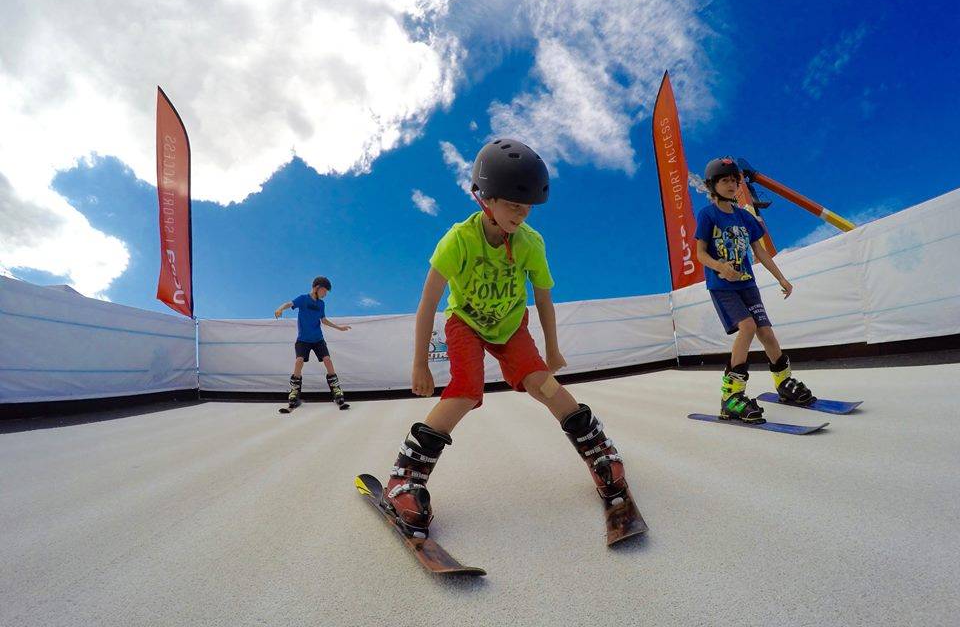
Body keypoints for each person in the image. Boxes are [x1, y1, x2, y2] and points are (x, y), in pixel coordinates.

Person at [380, 138, 632, 536]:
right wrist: (420, 363)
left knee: (542, 383)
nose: (522, 213)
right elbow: (427, 304)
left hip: (511, 325)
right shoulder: (458, 241)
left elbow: (544, 299)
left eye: (528, 205)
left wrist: (552, 348)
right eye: (513, 204)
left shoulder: (531, 243)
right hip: (465, 322)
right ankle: (404, 480)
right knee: (465, 389)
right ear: (485, 199)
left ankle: (600, 453)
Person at [694, 157, 816, 423]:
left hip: (748, 284)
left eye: (734, 180)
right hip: (722, 286)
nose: (732, 185)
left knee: (767, 334)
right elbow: (700, 253)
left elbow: (759, 251)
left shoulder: (744, 217)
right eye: (725, 180)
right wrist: (719, 266)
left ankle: (784, 383)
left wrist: (781, 278)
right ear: (712, 185)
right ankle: (731, 397)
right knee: (747, 327)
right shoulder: (707, 215)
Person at [274, 276, 352, 410]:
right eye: (325, 291)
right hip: (303, 339)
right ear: (317, 288)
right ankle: (294, 393)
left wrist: (339, 328)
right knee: (299, 361)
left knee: (327, 360)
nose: (325, 294)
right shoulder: (303, 299)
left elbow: (324, 320)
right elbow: (290, 303)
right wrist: (280, 308)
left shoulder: (321, 304)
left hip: (318, 339)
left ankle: (337, 393)